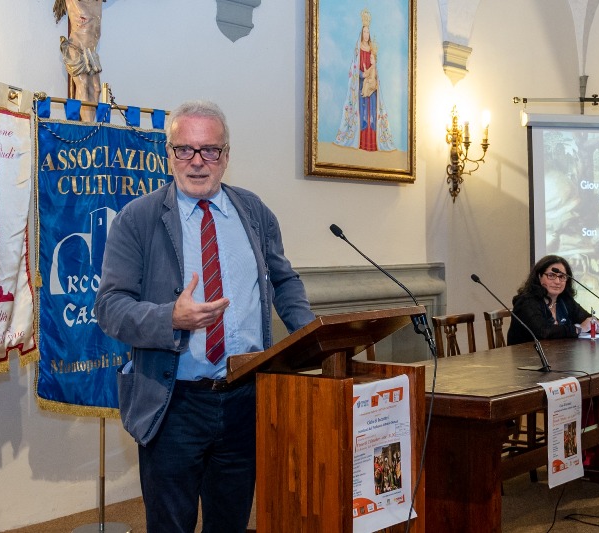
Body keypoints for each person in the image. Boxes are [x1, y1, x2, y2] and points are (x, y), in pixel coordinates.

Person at [95, 100, 315, 533]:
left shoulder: (254, 212)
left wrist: (310, 333)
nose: (197, 162)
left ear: (226, 156)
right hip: (173, 403)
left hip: (245, 399)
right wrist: (170, 318)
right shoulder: (137, 219)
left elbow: (284, 280)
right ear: (169, 154)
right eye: (185, 149)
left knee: (231, 523)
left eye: (210, 150)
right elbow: (109, 307)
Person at [334, 9, 396, 152]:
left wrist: (372, 76)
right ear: (362, 33)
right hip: (361, 84)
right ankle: (361, 142)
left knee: (372, 112)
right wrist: (361, 74)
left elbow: (374, 66)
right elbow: (354, 66)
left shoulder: (372, 49)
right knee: (362, 112)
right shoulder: (358, 49)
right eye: (365, 32)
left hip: (371, 86)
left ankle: (372, 144)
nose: (367, 35)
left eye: (368, 32)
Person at [507, 254, 599, 346]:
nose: (557, 281)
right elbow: (544, 331)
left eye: (562, 277)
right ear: (539, 277)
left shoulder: (564, 300)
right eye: (551, 275)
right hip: (527, 355)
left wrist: (598, 324)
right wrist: (579, 329)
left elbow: (586, 318)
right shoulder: (526, 302)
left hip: (558, 353)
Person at [55, 0, 103, 121]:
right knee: (83, 84)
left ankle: (90, 124)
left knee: (97, 88)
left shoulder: (97, 2)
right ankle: (88, 127)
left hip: (91, 52)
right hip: (76, 47)